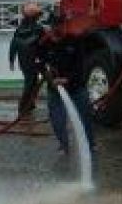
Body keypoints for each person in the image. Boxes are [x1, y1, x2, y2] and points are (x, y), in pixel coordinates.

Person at [35, 22, 96, 155]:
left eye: (60, 27)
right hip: (55, 89)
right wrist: (49, 77)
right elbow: (39, 64)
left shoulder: (74, 42)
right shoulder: (43, 44)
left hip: (76, 87)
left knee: (84, 117)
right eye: (54, 28)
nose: (57, 30)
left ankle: (89, 145)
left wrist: (68, 79)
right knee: (57, 120)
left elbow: (81, 66)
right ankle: (64, 146)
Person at [8, 1, 46, 118]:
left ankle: (29, 103)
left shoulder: (20, 29)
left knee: (32, 82)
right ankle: (24, 106)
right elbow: (43, 45)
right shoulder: (38, 29)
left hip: (26, 60)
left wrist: (11, 60)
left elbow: (13, 45)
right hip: (31, 60)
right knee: (31, 82)